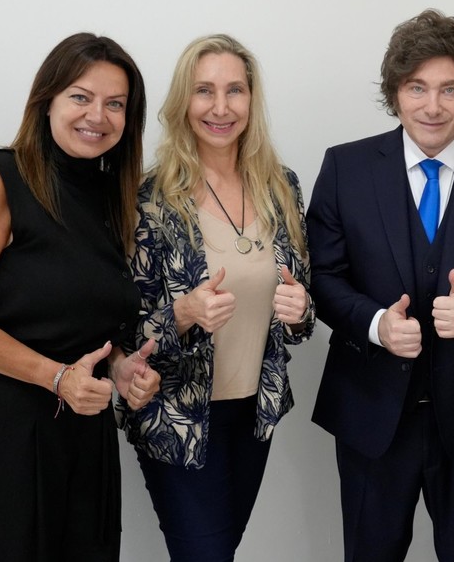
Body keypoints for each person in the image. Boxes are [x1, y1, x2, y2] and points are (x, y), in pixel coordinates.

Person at [307, 9, 454, 562]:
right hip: (371, 413)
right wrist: (375, 324)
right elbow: (323, 276)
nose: (432, 106)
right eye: (417, 87)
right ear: (395, 92)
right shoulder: (346, 168)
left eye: (449, 89)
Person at [0, 33, 159, 562]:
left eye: (115, 103)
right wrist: (56, 377)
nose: (97, 115)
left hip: (83, 427)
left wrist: (120, 367)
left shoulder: (109, 194)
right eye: (81, 96)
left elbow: (86, 318)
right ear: (46, 100)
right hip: (0, 428)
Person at [117, 34, 314, 562]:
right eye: (204, 90)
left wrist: (300, 311)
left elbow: (300, 308)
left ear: (252, 99)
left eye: (235, 91)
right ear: (183, 101)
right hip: (178, 413)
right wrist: (183, 313)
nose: (221, 107)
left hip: (255, 412)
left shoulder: (281, 188)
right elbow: (123, 331)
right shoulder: (148, 198)